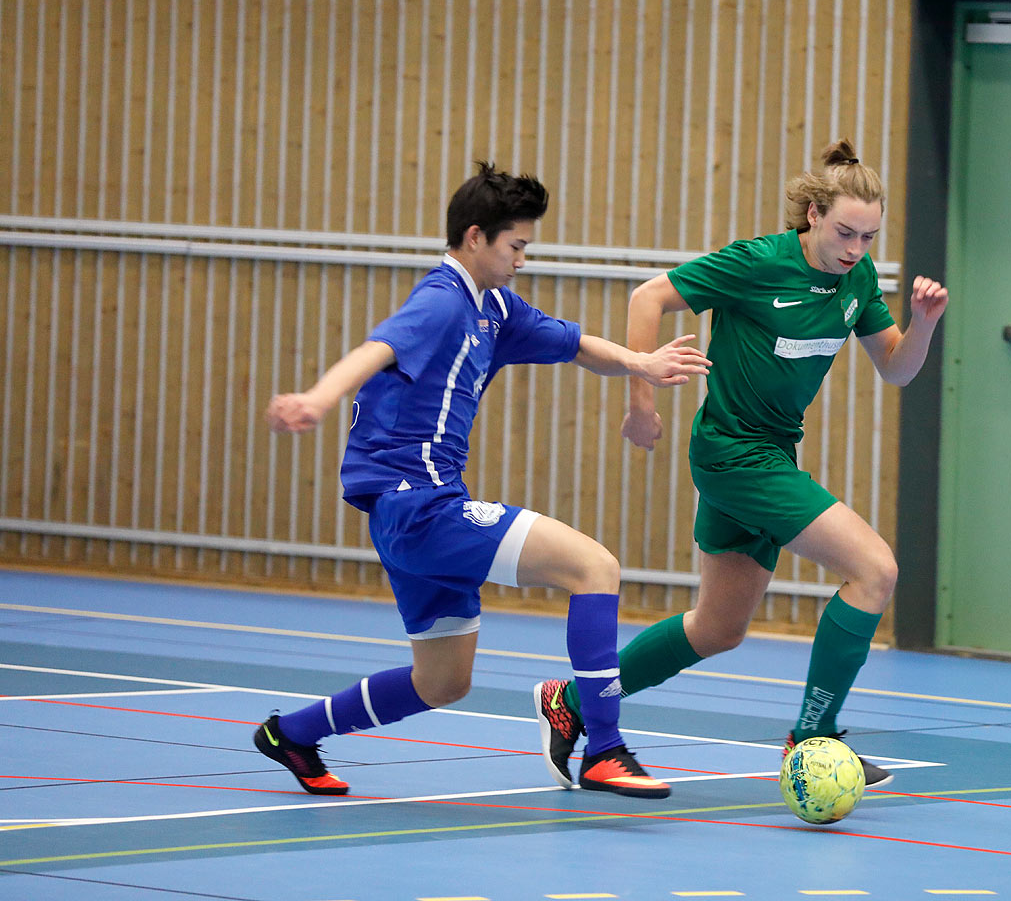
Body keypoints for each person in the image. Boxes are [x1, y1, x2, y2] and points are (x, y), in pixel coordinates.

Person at [256, 161, 709, 800]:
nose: (523, 259)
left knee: (441, 682)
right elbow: (375, 351)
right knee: (595, 567)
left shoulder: (494, 307)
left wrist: (641, 363)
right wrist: (318, 398)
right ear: (475, 238)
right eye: (515, 246)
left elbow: (576, 344)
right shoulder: (441, 301)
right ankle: (604, 750)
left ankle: (291, 735)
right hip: (418, 505)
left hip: (414, 512)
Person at [532, 139, 948, 791]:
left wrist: (922, 324)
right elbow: (648, 298)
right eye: (845, 232)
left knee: (717, 628)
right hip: (734, 455)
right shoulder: (756, 263)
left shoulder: (858, 279)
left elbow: (895, 368)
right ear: (810, 214)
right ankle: (811, 738)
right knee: (874, 571)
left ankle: (574, 703)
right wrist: (641, 402)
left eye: (869, 237)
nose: (856, 249)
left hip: (772, 453)